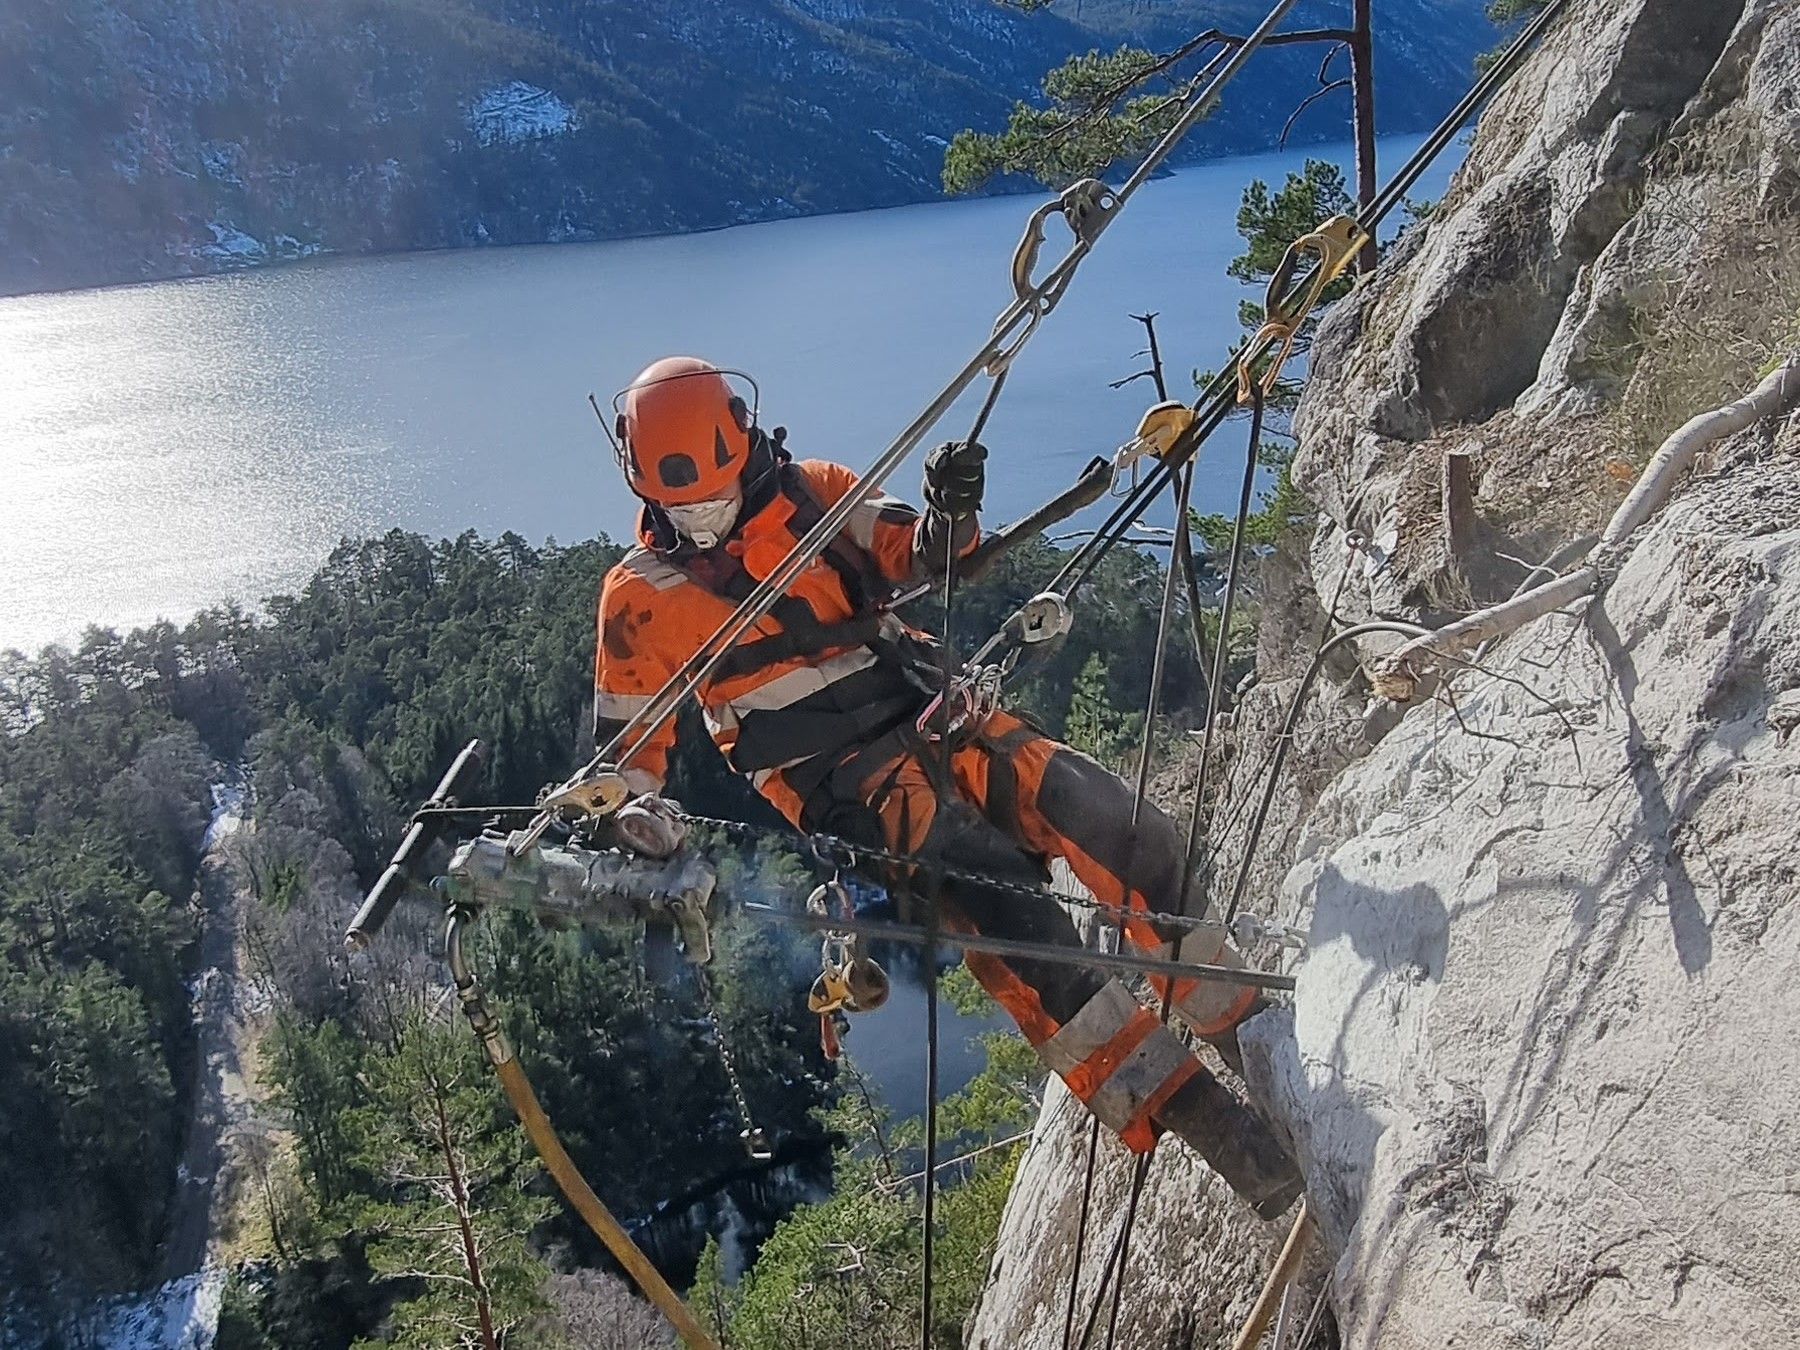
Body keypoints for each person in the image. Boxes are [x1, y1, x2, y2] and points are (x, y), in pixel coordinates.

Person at [593, 356, 1300, 1217]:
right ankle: (1220, 1135)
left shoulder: (815, 495)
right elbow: (627, 755)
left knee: (1120, 827)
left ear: (742, 447)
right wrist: (635, 816)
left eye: (715, 496)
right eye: (684, 508)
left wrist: (952, 509)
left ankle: (1247, 1027)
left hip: (933, 713)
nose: (704, 520)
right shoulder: (639, 600)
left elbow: (924, 555)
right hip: (848, 783)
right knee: (1021, 925)